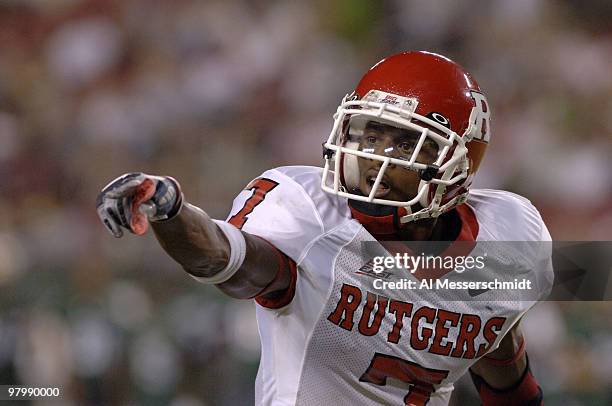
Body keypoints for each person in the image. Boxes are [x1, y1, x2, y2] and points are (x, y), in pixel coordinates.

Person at [96, 51, 552, 405]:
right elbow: (226, 258)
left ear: (459, 163)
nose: (377, 160)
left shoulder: (510, 235)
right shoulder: (311, 215)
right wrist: (171, 210)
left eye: (405, 143)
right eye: (371, 136)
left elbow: (496, 337)